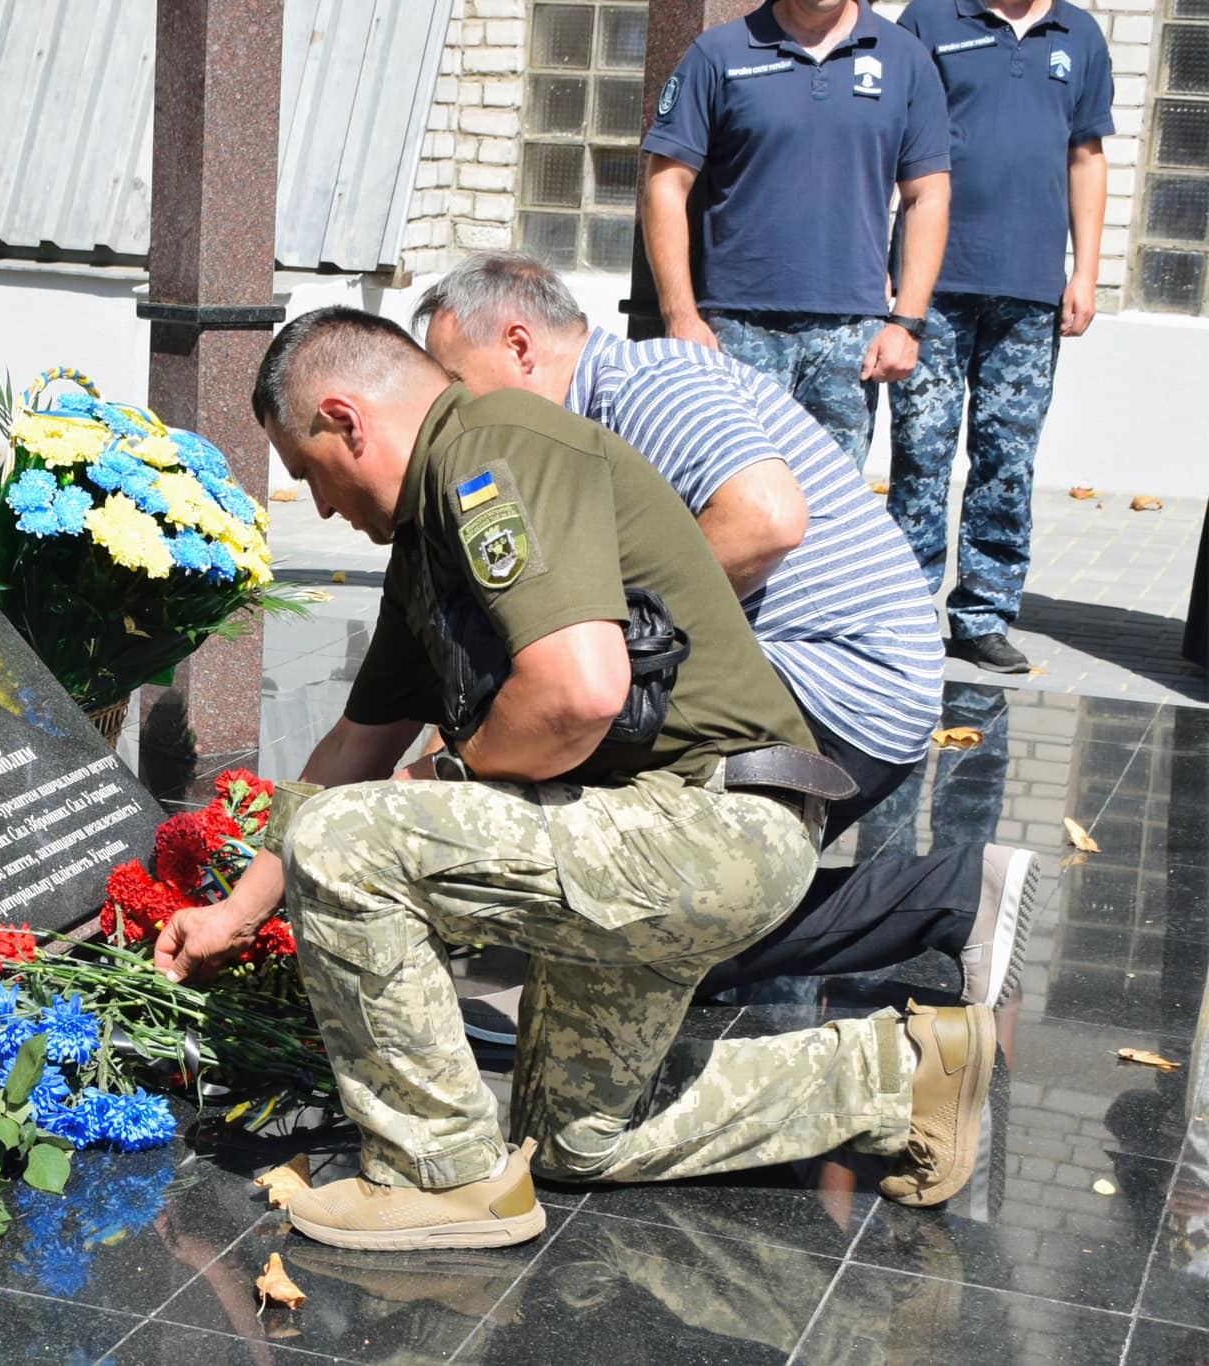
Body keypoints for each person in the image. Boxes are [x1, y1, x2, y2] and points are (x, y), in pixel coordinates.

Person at [153, 307, 995, 1252]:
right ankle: (902, 1074)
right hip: (655, 827)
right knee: (576, 1140)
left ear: (346, 420)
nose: (318, 506)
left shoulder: (491, 450)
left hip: (712, 823)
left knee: (346, 844)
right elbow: (353, 750)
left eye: (307, 472)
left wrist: (441, 775)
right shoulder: (427, 538)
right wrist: (237, 913)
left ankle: (441, 1175)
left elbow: (577, 694)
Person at [413, 252, 1039, 1014]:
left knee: (646, 914)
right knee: (673, 927)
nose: (452, 412)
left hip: (837, 682)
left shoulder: (647, 384)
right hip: (830, 681)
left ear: (519, 344)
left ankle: (945, 896)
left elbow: (763, 520)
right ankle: (962, 895)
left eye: (455, 381)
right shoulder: (594, 414)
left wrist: (605, 639)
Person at [886, 0, 1114, 675]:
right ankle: (903, 613)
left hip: (1030, 290)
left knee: (1007, 462)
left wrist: (1087, 273)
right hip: (932, 286)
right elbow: (886, 141)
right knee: (921, 454)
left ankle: (983, 616)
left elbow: (1087, 156)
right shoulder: (931, 20)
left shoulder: (1079, 33)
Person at [640, 0, 952, 469]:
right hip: (736, 330)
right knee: (731, 492)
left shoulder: (905, 59)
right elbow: (666, 185)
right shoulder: (718, 54)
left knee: (832, 501)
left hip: (851, 336)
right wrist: (679, 314)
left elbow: (926, 196)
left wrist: (907, 322)